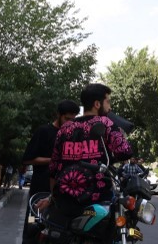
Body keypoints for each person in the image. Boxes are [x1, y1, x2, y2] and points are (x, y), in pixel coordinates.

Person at [45, 83, 133, 218]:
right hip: (97, 202)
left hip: (66, 199)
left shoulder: (65, 128)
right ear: (97, 104)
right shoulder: (105, 123)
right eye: (108, 102)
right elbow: (125, 152)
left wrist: (53, 196)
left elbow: (53, 167)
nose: (110, 107)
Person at [23, 100, 80, 202]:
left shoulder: (74, 135)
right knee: (34, 216)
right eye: (67, 119)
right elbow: (28, 160)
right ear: (58, 114)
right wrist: (55, 160)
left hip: (64, 189)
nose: (69, 123)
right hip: (41, 187)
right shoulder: (43, 131)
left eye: (73, 120)